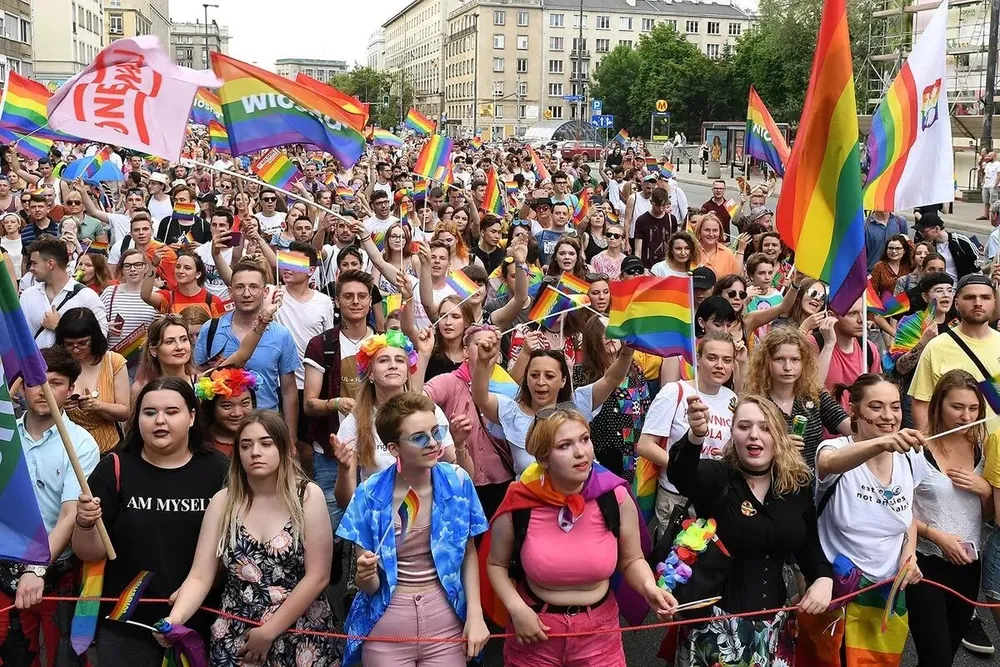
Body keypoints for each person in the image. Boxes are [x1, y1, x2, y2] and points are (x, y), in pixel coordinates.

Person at [485, 406, 676, 666]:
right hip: (535, 631)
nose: (580, 453)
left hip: (599, 634)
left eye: (584, 439)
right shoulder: (520, 501)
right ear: (542, 459)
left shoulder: (614, 496)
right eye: (564, 445)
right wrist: (517, 610)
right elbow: (496, 564)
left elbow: (631, 559)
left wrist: (648, 587)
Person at [162, 410, 340, 666]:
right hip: (236, 633)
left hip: (300, 633)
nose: (255, 452)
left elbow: (318, 576)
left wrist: (268, 632)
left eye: (266, 443)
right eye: (246, 445)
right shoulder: (223, 502)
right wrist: (174, 620)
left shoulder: (307, 496)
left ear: (284, 448)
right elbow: (200, 576)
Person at [665, 395, 833, 665]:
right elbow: (681, 474)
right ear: (732, 434)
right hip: (716, 628)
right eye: (744, 427)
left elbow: (809, 544)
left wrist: (823, 578)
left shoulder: (794, 485)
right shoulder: (717, 477)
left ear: (778, 435)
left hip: (777, 628)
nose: (754, 435)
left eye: (765, 428)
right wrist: (695, 436)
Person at [72, 378, 229, 665]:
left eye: (172, 412)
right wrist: (84, 524)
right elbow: (91, 553)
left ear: (192, 416)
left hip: (203, 621)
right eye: (149, 412)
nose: (160, 421)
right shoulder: (114, 467)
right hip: (127, 626)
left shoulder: (219, 470)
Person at [337, 392, 489, 666]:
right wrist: (365, 574)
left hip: (446, 620)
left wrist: (476, 615)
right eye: (419, 437)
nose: (433, 443)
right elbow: (368, 586)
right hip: (389, 624)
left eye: (436, 432)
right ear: (394, 449)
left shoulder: (457, 482)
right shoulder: (369, 495)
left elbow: (468, 554)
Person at [797, 375, 927, 666]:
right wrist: (881, 443)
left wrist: (910, 555)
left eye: (895, 407)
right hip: (839, 589)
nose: (888, 416)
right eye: (876, 406)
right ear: (853, 409)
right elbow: (828, 464)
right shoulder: (833, 448)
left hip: (887, 591)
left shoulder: (909, 457)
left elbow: (908, 515)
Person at [0, 347, 100, 667]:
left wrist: (37, 568)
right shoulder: (5, 435)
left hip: (52, 572)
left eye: (54, 383)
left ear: (70, 390)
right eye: (35, 381)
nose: (43, 390)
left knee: (53, 657)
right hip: (2, 562)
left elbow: (70, 515)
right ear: (22, 387)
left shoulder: (81, 443)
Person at [907, 370, 993, 665]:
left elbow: (992, 516)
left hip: (969, 564)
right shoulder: (916, 450)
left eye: (973, 408)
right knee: (936, 658)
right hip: (925, 562)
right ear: (938, 405)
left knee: (948, 651)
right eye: (957, 407)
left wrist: (984, 489)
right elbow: (895, 510)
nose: (966, 416)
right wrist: (936, 536)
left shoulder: (986, 448)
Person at [332, 331, 470, 509]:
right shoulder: (354, 421)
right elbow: (345, 502)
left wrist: (460, 445)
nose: (393, 365)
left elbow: (462, 477)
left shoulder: (430, 412)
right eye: (383, 360)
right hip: (379, 520)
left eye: (399, 360)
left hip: (430, 514)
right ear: (370, 374)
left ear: (407, 372)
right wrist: (343, 469)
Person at [471, 330, 632, 476]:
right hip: (531, 501)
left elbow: (612, 379)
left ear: (563, 380)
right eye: (534, 375)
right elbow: (481, 398)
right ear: (526, 378)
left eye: (549, 376)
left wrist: (626, 352)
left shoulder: (576, 405)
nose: (540, 382)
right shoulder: (511, 412)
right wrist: (483, 363)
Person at [636, 333, 737, 538]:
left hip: (715, 498)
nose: (720, 365)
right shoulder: (675, 391)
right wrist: (688, 470)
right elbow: (645, 445)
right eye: (712, 358)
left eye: (727, 360)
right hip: (677, 497)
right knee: (676, 566)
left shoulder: (732, 399)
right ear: (697, 359)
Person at [195, 259, 301, 435]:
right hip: (219, 432)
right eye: (239, 287)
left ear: (265, 291)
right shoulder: (210, 329)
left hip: (267, 428)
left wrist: (291, 438)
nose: (246, 293)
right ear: (230, 292)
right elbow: (198, 379)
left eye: (253, 287)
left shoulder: (281, 335)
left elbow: (289, 390)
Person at [744, 327, 851, 468]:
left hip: (812, 485)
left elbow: (851, 429)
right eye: (779, 359)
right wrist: (776, 446)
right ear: (766, 362)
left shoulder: (815, 396)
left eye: (795, 360)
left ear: (804, 362)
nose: (787, 367)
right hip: (770, 481)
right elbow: (741, 447)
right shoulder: (755, 402)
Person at [573, 315, 660, 482]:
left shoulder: (635, 369)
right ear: (592, 340)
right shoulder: (580, 373)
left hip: (631, 456)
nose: (609, 337)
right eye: (603, 333)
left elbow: (646, 409)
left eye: (614, 332)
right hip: (597, 456)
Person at [910, 273, 1000, 429]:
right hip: (956, 447)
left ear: (994, 302)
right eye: (970, 297)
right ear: (956, 304)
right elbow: (921, 403)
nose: (978, 303)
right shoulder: (936, 347)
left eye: (985, 297)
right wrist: (929, 447)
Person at [55, 308, 130, 454]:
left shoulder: (113, 361)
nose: (76, 350)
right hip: (69, 449)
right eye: (69, 344)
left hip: (108, 447)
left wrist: (97, 405)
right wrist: (60, 405)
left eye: (82, 343)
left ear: (94, 338)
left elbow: (124, 412)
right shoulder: (57, 365)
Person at [22, 236, 108, 349]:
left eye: (34, 263)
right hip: (36, 365)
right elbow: (19, 335)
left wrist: (59, 327)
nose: (31, 268)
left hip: (72, 365)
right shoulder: (28, 295)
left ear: (50, 264)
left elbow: (101, 338)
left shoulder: (87, 296)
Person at [141, 249, 226, 317]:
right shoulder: (168, 297)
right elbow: (145, 296)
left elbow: (220, 330)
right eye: (178, 267)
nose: (180, 271)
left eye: (187, 268)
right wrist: (154, 265)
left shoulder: (214, 301)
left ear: (198, 274)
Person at [195, 367, 258, 457]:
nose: (237, 413)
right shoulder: (197, 442)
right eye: (227, 406)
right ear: (211, 407)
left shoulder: (264, 436)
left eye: (245, 403)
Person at [913, 212, 978, 281]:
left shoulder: (960, 242)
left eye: (924, 231)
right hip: (938, 287)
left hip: (961, 287)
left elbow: (976, 269)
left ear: (937, 229)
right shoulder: (929, 246)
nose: (922, 235)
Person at [633, 188, 678, 268]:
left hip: (667, 266)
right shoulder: (642, 220)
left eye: (663, 205)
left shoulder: (672, 219)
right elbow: (638, 251)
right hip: (647, 266)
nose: (661, 209)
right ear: (651, 202)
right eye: (657, 205)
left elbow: (675, 244)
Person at [694, 213, 739, 278]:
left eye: (715, 230)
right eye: (707, 230)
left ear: (720, 232)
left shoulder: (728, 254)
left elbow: (735, 280)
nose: (711, 234)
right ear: (699, 231)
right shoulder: (691, 251)